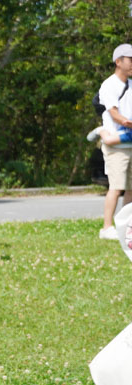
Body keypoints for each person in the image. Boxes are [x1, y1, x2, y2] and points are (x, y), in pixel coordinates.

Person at [92, 44, 132, 240]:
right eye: (130, 59)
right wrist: (128, 123)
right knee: (116, 187)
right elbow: (114, 113)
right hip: (116, 145)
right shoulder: (109, 85)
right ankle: (106, 228)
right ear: (118, 62)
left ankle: (125, 227)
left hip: (130, 142)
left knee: (131, 189)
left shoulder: (131, 84)